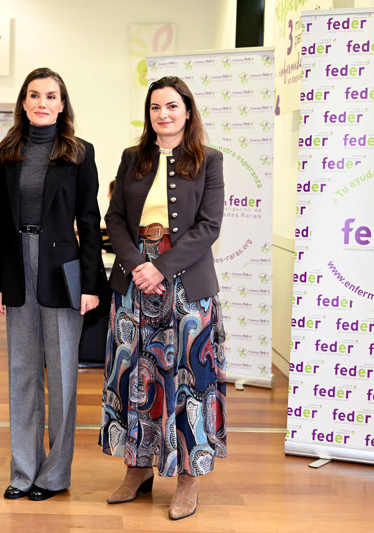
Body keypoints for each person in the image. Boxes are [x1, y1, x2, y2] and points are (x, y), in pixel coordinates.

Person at [99, 76, 227, 520]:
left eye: (172, 106)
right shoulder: (132, 158)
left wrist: (162, 267)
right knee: (135, 375)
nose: (163, 114)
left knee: (190, 380)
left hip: (186, 282)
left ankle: (189, 475)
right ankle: (137, 468)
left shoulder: (209, 160)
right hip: (135, 278)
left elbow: (209, 226)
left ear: (187, 111)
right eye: (155, 107)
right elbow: (115, 218)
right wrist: (139, 264)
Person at [0, 67, 104, 501]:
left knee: (62, 377)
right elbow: (0, 222)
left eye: (50, 96)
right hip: (17, 266)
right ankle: (23, 471)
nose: (42, 102)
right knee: (22, 373)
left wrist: (90, 284)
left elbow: (89, 221)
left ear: (61, 104)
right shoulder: (7, 151)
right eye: (34, 95)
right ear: (23, 102)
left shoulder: (79, 152)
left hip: (62, 271)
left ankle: (54, 476)